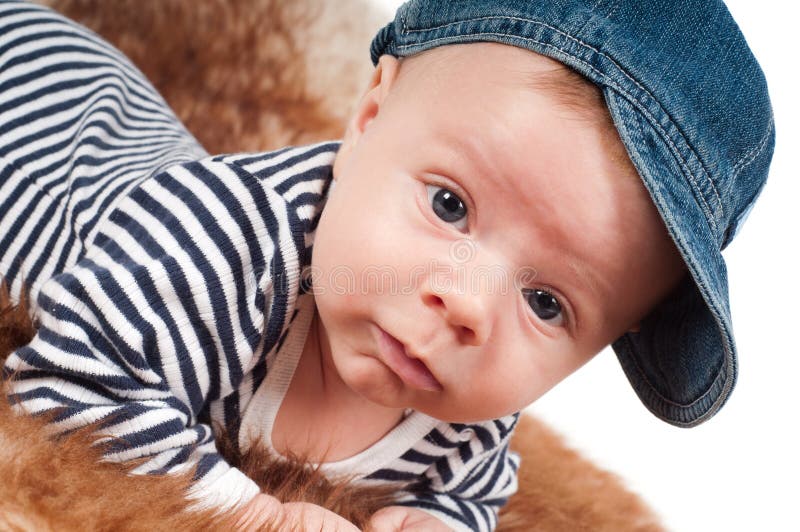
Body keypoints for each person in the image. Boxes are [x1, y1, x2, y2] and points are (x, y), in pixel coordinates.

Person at [0, 0, 774, 530]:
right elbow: (66, 376)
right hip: (32, 110)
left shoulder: (467, 416)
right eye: (449, 207)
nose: (468, 306)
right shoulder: (217, 246)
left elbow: (475, 491)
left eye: (545, 302)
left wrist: (433, 519)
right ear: (368, 119)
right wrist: (245, 510)